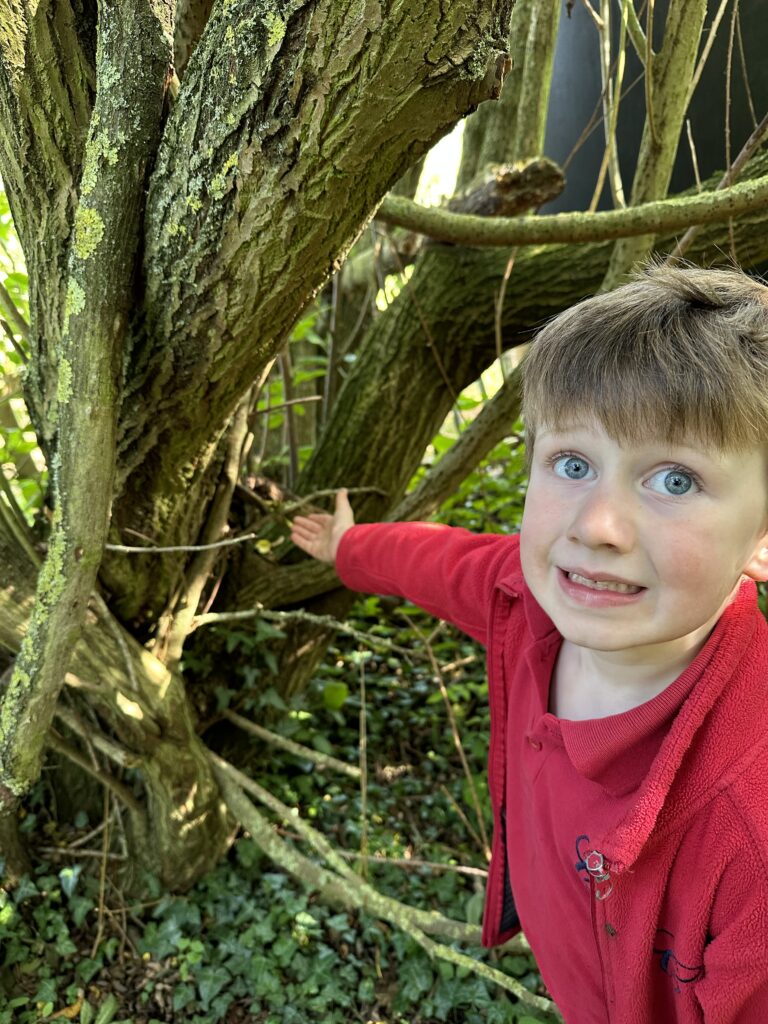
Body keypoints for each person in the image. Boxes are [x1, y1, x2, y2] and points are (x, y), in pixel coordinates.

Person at [290, 263, 768, 1024]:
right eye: (573, 465)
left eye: (674, 480)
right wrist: (351, 548)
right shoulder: (527, 599)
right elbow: (433, 562)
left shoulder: (751, 827)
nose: (596, 526)